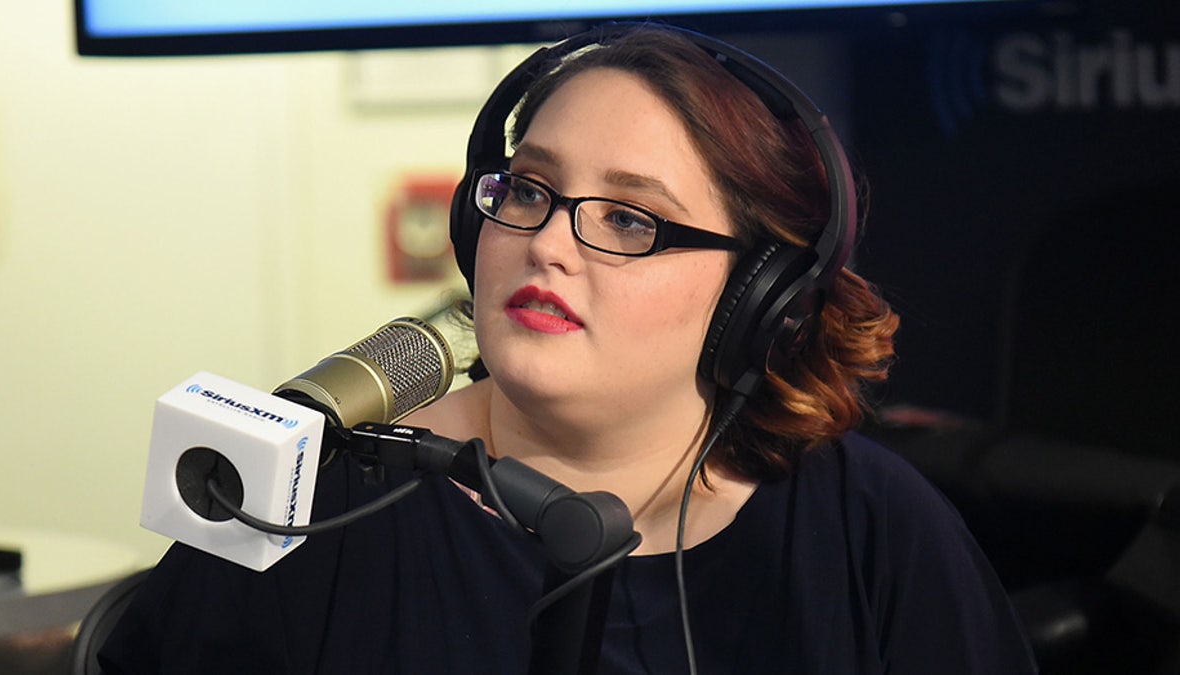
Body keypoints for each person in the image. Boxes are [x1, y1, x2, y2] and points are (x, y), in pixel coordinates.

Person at [98, 23, 1037, 674]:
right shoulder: (315, 514)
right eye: (530, 190)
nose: (546, 241)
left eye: (630, 218)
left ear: (759, 296)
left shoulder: (871, 530)